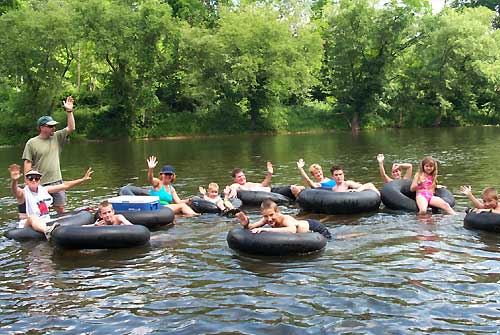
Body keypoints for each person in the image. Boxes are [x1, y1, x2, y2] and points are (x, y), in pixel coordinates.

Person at [22, 96, 76, 214]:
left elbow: (71, 127)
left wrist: (69, 111)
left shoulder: (57, 137)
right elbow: (27, 163)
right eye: (50, 126)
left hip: (57, 181)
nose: (54, 128)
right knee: (39, 211)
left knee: (61, 209)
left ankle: (61, 229)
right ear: (42, 128)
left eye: (54, 126)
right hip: (39, 183)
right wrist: (28, 182)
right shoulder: (32, 143)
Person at [9, 164, 93, 238]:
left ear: (40, 180)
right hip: (27, 224)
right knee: (32, 217)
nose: (34, 180)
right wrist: (14, 180)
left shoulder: (44, 189)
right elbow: (15, 190)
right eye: (30, 178)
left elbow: (65, 185)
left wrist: (82, 179)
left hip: (44, 220)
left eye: (36, 178)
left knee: (66, 217)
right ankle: (48, 231)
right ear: (26, 180)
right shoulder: (23, 193)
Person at [235, 199, 331, 239]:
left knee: (334, 240)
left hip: (315, 228)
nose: (269, 219)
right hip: (306, 226)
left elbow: (292, 230)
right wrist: (246, 224)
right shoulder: (266, 219)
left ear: (278, 212)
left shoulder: (286, 218)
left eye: (271, 215)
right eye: (265, 216)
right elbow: (251, 228)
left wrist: (265, 229)